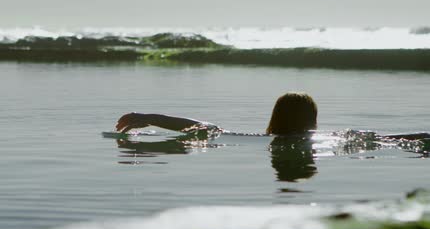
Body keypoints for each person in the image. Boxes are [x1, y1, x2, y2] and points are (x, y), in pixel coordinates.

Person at [115, 92, 318, 136]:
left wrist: (150, 118)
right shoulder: (327, 139)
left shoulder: (263, 140)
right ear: (313, 120)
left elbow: (209, 129)